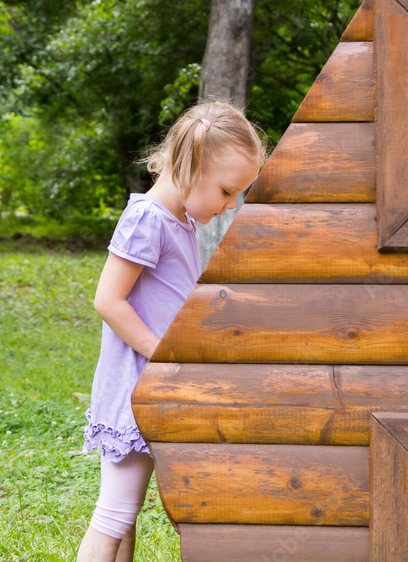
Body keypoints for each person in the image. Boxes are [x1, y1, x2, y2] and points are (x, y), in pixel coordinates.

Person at [76, 102, 266, 561]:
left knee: (125, 515)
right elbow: (108, 300)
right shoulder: (149, 219)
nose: (229, 205)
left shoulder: (179, 223)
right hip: (134, 389)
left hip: (153, 389)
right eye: (226, 191)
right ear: (193, 166)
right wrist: (161, 355)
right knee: (113, 516)